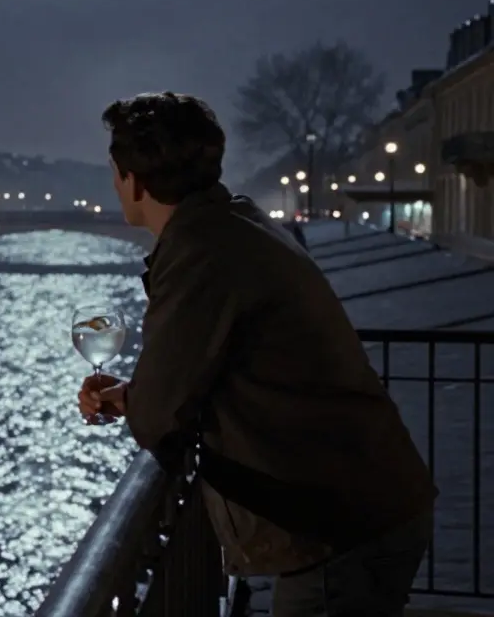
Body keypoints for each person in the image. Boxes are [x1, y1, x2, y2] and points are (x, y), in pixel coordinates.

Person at [77, 92, 435, 617]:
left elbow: (159, 419)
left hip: (335, 528)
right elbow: (221, 369)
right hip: (369, 502)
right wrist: (133, 395)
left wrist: (142, 401)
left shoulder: (200, 252)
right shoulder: (238, 222)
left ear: (132, 178)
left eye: (114, 170)